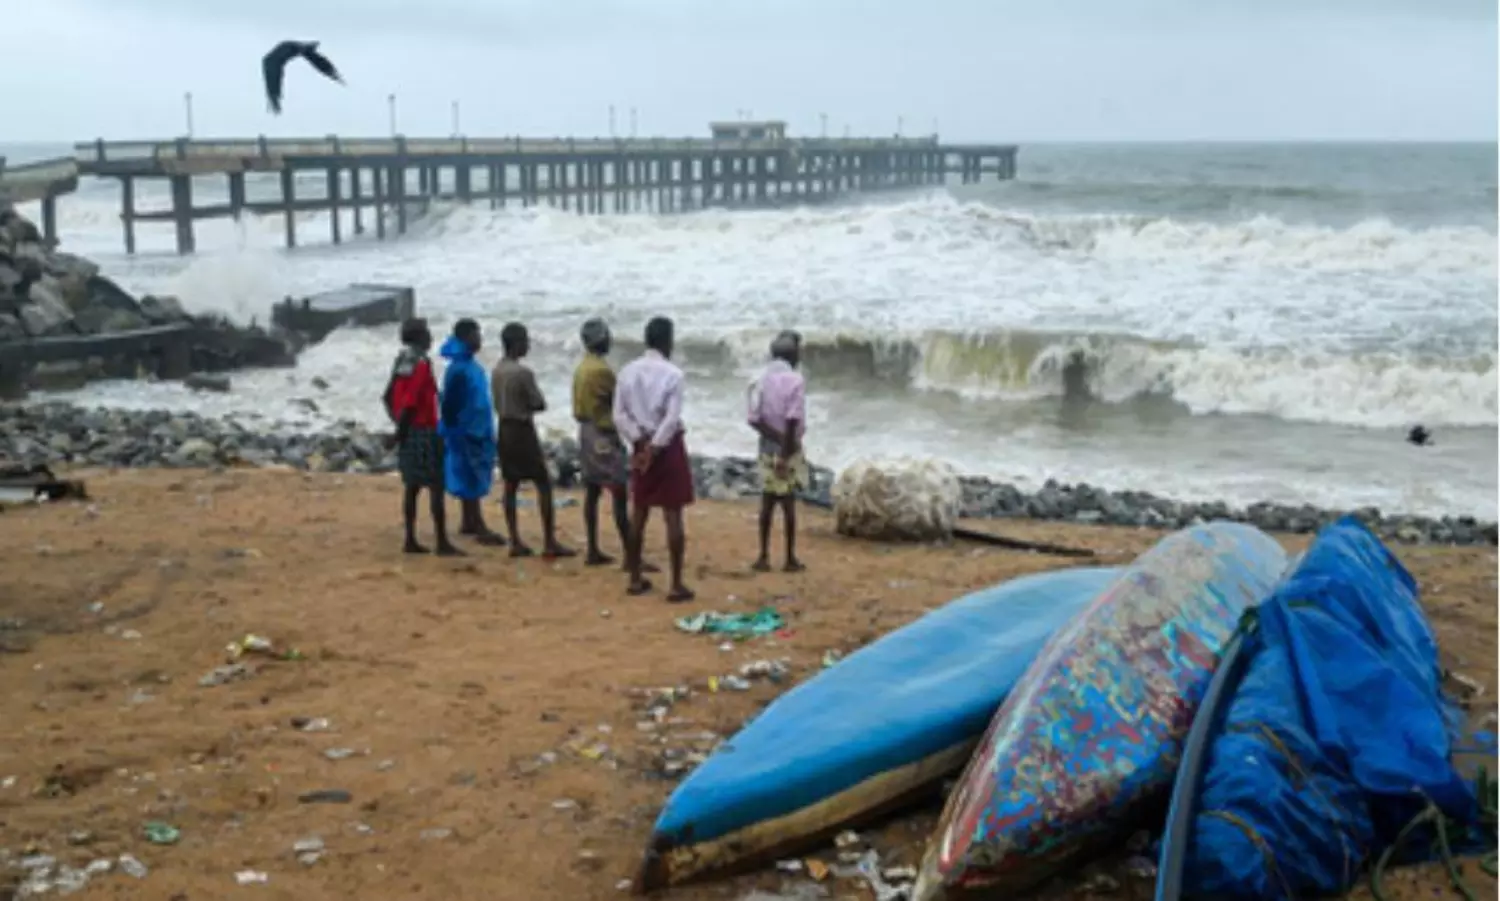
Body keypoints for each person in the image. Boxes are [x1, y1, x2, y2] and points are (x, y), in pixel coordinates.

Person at [613, 316, 695, 602]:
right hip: (667, 447)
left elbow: (619, 415)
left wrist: (640, 441)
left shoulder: (627, 372)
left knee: (640, 511)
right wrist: (657, 446)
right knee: (673, 514)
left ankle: (635, 577)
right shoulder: (673, 374)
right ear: (667, 341)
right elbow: (671, 418)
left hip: (640, 443)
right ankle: (675, 583)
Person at [572, 318, 657, 570]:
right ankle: (632, 557)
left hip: (586, 431)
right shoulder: (602, 371)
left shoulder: (582, 367)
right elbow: (619, 404)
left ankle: (593, 548)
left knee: (592, 490)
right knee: (619, 493)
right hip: (603, 434)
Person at [491, 322, 575, 559]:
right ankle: (549, 540)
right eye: (525, 341)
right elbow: (539, 403)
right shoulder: (523, 373)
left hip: (503, 428)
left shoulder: (497, 370)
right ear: (518, 344)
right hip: (522, 429)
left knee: (510, 484)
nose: (528, 345)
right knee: (543, 482)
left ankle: (514, 539)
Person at [382, 317, 461, 556]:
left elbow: (387, 396)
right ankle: (441, 541)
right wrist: (400, 431)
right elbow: (411, 402)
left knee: (412, 486)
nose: (430, 337)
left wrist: (397, 425)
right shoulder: (421, 364)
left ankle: (410, 538)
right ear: (419, 337)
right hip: (424, 429)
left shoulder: (401, 360)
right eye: (427, 333)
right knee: (436, 485)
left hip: (408, 430)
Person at [438, 319, 505, 546]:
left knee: (474, 473)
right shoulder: (458, 369)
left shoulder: (468, 365)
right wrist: (455, 428)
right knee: (471, 475)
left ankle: (469, 520)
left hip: (476, 428)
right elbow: (448, 403)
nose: (480, 339)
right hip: (466, 431)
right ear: (465, 337)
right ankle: (477, 523)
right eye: (476, 335)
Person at [747, 330, 808, 572]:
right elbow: (793, 417)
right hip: (788, 447)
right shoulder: (795, 380)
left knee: (767, 502)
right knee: (788, 504)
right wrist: (786, 448)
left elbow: (753, 418)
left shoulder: (759, 380)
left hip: (766, 446)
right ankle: (789, 558)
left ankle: (763, 555)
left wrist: (774, 436)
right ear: (794, 357)